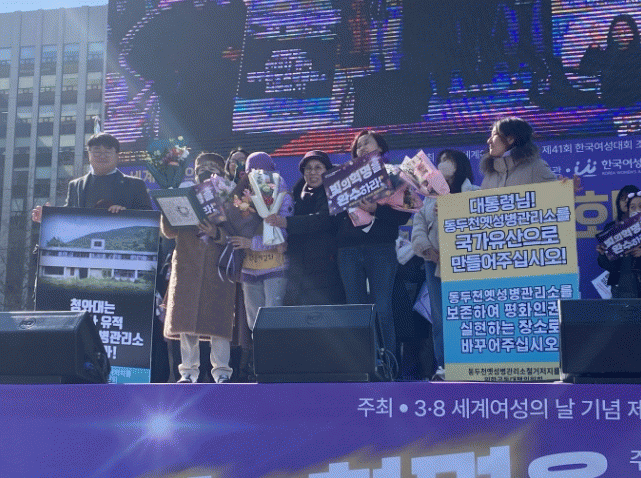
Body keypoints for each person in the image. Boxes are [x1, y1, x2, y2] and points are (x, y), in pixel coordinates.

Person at [335, 130, 412, 359]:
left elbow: (403, 216)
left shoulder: (394, 174)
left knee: (382, 309)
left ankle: (388, 363)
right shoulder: (343, 176)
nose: (362, 148)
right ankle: (363, 362)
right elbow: (333, 216)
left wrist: (376, 209)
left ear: (380, 148)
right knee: (356, 310)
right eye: (358, 145)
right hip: (348, 250)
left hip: (381, 249)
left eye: (367, 143)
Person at [161, 153, 236, 383]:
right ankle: (187, 372)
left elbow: (240, 232)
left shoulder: (229, 195)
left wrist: (216, 233)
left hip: (218, 267)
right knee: (186, 322)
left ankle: (222, 372)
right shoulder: (185, 194)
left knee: (219, 323)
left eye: (213, 167)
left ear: (222, 171)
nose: (206, 171)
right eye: (201, 167)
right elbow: (169, 232)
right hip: (187, 266)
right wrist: (168, 204)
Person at [412, 150, 479, 380]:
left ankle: (471, 364)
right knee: (440, 317)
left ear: (459, 165)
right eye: (439, 161)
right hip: (435, 262)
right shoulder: (429, 197)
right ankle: (444, 365)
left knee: (468, 313)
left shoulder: (475, 192)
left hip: (467, 263)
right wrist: (426, 250)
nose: (442, 164)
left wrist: (455, 209)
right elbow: (419, 225)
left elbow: (483, 223)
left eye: (447, 160)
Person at [265, 150, 345, 306]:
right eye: (308, 168)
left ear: (327, 171)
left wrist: (286, 222)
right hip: (298, 265)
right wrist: (283, 241)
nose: (312, 172)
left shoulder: (334, 191)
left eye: (318, 167)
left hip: (325, 263)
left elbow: (322, 219)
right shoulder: (296, 193)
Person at [229, 152, 293, 332]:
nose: (258, 175)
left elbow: (282, 235)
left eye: (263, 170)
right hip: (249, 268)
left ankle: (276, 352)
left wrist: (251, 243)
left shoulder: (282, 194)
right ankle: (259, 351)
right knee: (254, 324)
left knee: (274, 321)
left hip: (275, 266)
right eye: (253, 170)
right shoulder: (240, 196)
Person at [31, 132, 152, 222]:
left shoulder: (135, 185)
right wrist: (48, 217)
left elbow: (149, 218)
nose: (102, 156)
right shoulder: (76, 186)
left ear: (117, 155)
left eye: (108, 151)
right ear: (89, 154)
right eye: (97, 151)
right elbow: (69, 217)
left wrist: (126, 213)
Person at [579, 13, 641, 107]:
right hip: (611, 106)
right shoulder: (607, 55)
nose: (622, 34)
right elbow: (585, 70)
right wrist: (594, 45)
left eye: (625, 30)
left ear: (633, 33)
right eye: (618, 31)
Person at [480, 116, 557, 190]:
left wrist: (561, 186)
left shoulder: (536, 168)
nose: (489, 141)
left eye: (494, 135)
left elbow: (554, 195)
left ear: (510, 139)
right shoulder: (490, 175)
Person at [597, 185, 641, 298]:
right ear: (618, 202)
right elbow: (608, 265)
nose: (626, 201)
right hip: (620, 288)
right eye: (623, 198)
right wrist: (603, 254)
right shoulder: (611, 229)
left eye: (629, 198)